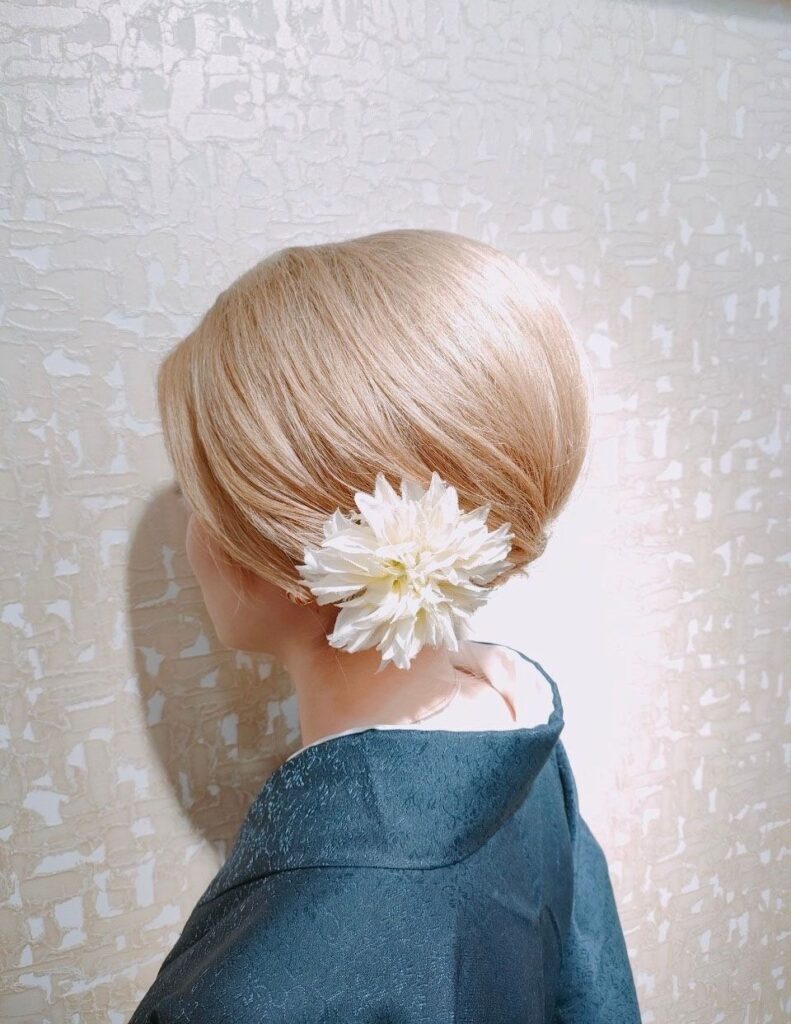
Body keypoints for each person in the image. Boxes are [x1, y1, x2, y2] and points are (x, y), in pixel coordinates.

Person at [128, 229, 641, 1023]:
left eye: (200, 497)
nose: (192, 533)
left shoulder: (284, 961)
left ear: (278, 555)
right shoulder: (516, 739)